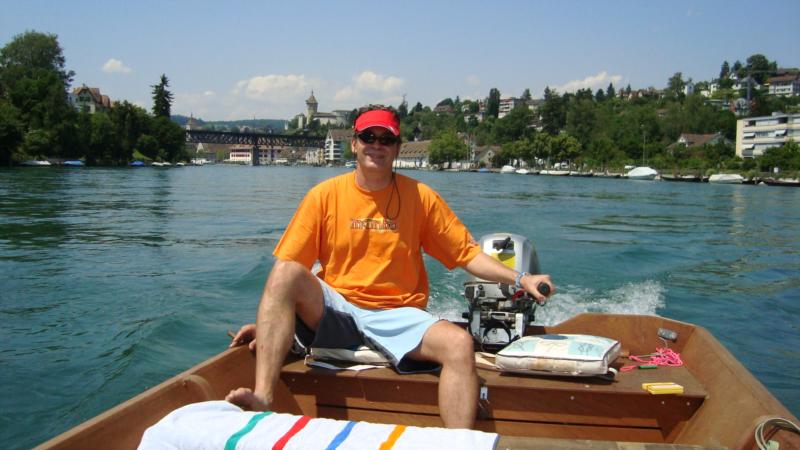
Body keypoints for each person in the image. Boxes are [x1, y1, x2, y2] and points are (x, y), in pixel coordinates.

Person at [225, 105, 554, 429]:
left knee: (459, 345)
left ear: (397, 147)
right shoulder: (323, 196)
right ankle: (264, 397)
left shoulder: (420, 197)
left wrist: (521, 277)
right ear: (354, 143)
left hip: (400, 315)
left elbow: (467, 254)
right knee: (285, 271)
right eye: (369, 136)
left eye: (386, 139)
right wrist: (274, 325)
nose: (377, 145)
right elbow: (288, 281)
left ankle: (459, 442)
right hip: (339, 310)